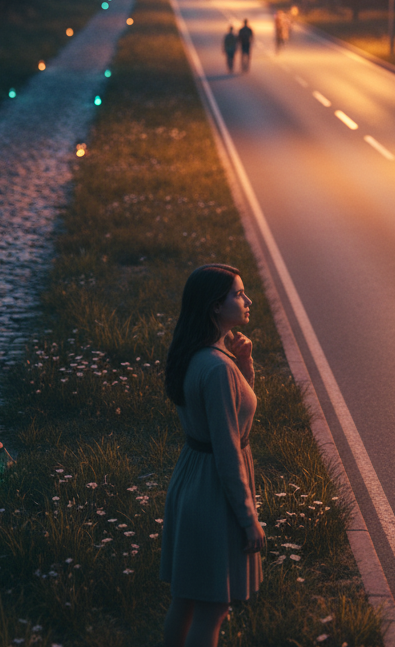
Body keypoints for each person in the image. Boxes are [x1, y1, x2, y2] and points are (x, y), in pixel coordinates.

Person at [160, 264, 264, 647]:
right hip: (213, 492)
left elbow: (229, 411)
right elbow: (228, 449)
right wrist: (248, 518)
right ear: (216, 306)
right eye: (239, 293)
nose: (248, 300)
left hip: (191, 480)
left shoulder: (197, 354)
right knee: (212, 609)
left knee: (186, 600)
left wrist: (245, 366)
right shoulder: (218, 368)